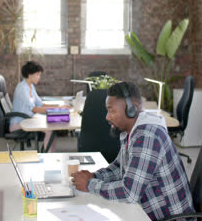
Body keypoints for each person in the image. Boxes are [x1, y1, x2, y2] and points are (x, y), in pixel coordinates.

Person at [71, 81, 195, 221]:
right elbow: (119, 168)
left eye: (112, 110)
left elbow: (129, 193)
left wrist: (90, 185)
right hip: (148, 210)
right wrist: (94, 176)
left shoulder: (147, 136)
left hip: (169, 218)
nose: (107, 117)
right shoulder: (131, 131)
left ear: (132, 109)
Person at [10, 61, 69, 152]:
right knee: (49, 130)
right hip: (19, 123)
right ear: (30, 75)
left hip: (28, 119)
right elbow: (34, 109)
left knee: (52, 129)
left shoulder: (30, 86)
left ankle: (51, 154)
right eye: (37, 75)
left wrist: (58, 105)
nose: (39, 77)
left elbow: (40, 104)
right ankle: (48, 157)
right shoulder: (22, 88)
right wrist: (57, 109)